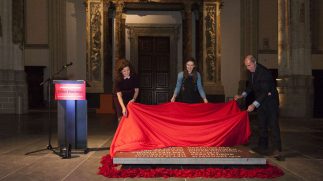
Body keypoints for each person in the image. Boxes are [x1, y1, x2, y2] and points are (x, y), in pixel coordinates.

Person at [234, 55, 284, 161]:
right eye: (246, 66)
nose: (248, 68)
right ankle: (262, 146)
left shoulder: (264, 72)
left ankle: (277, 150)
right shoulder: (251, 71)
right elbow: (250, 86)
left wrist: (253, 104)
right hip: (261, 102)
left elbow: (265, 91)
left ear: (254, 62)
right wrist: (242, 95)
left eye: (249, 65)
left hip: (270, 102)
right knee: (262, 124)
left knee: (273, 125)